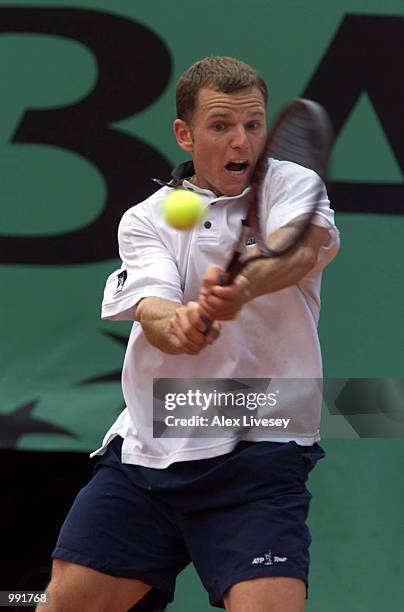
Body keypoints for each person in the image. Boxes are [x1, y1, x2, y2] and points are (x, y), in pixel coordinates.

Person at [40, 56, 339, 612]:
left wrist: (244, 287)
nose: (240, 140)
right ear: (185, 133)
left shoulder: (294, 184)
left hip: (259, 448)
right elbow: (152, 308)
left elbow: (296, 254)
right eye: (221, 126)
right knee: (64, 605)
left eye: (253, 125)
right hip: (149, 454)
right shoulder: (146, 218)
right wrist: (177, 326)